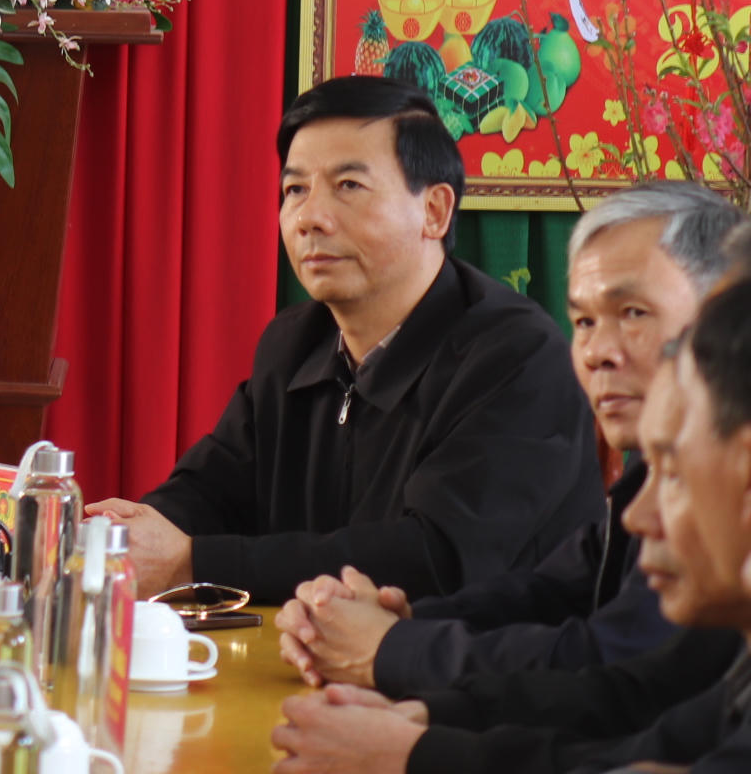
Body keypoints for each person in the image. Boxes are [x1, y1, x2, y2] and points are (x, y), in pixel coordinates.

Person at [87, 76, 604, 602]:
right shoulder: (294, 344)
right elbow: (212, 491)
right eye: (295, 190)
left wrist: (192, 562)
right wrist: (133, 536)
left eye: (349, 186)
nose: (310, 218)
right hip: (309, 646)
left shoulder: (519, 357)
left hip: (486, 654)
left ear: (434, 211)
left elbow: (435, 558)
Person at [270, 274, 751, 774]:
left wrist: (404, 714)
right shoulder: (293, 343)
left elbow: (620, 675)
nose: (637, 517)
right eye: (584, 321)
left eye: (674, 475)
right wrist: (422, 700)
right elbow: (650, 718)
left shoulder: (514, 353)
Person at [279, 181, 742, 695]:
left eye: (633, 312)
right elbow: (552, 593)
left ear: (725, 314)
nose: (597, 352)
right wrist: (395, 620)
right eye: (584, 321)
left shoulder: (729, 483)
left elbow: (613, 664)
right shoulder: (649, 479)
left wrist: (390, 650)